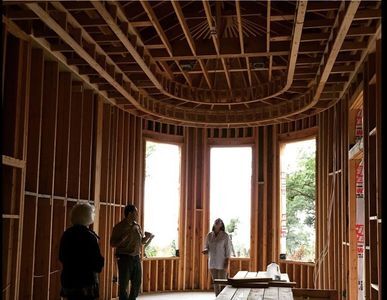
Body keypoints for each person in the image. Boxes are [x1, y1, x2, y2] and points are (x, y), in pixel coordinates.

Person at [59, 202, 104, 300]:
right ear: (88, 216)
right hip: (86, 282)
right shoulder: (90, 236)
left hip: (69, 280)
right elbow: (97, 262)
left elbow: (61, 256)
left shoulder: (67, 234)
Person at [110, 205, 153, 300]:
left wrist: (147, 237)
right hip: (125, 258)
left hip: (136, 258)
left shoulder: (137, 226)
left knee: (137, 283)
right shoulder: (119, 227)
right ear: (130, 213)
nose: (137, 214)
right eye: (135, 212)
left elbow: (141, 241)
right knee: (124, 285)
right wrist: (124, 237)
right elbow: (112, 243)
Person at [202, 218, 233, 296]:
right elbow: (207, 247)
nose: (217, 222)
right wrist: (205, 250)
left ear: (221, 225)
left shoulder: (225, 236)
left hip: (222, 262)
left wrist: (227, 262)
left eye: (219, 221)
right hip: (212, 263)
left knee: (222, 283)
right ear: (214, 224)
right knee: (215, 283)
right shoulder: (209, 235)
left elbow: (228, 250)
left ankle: (224, 298)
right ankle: (217, 297)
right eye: (216, 221)